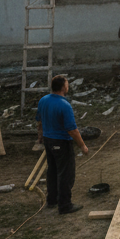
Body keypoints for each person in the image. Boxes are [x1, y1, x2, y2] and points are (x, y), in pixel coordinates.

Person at [37, 75, 88, 214]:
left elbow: (39, 121)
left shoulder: (43, 100)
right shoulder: (64, 105)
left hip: (48, 141)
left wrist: (40, 135)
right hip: (61, 142)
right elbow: (72, 130)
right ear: (63, 87)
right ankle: (65, 205)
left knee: (52, 170)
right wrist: (82, 146)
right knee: (65, 173)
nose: (68, 86)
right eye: (67, 84)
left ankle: (52, 200)